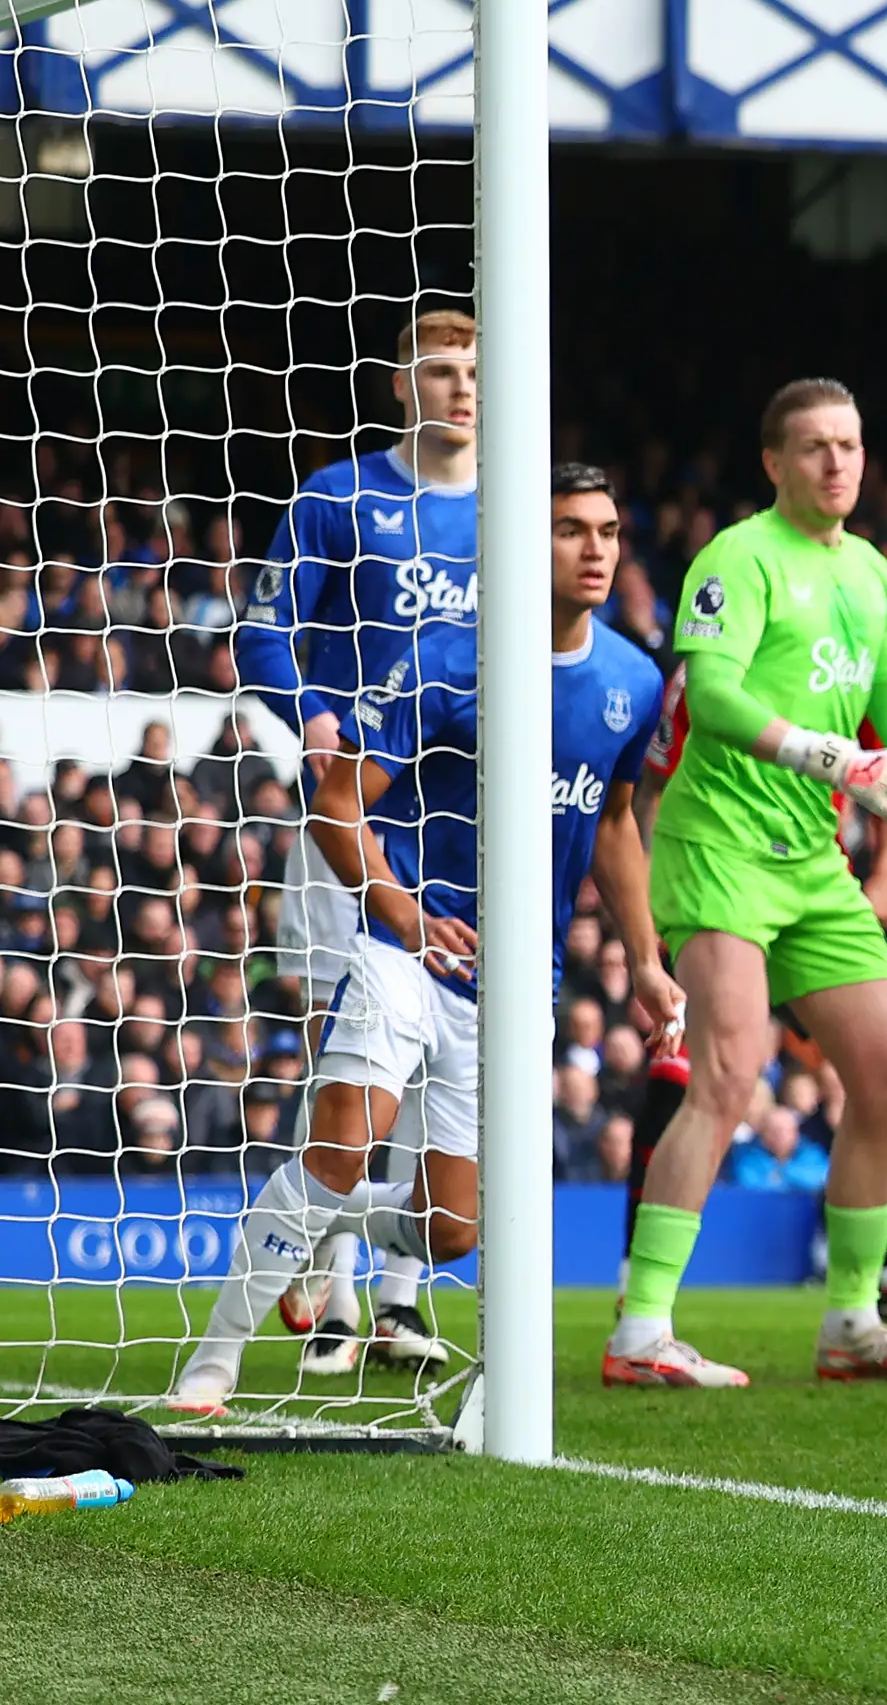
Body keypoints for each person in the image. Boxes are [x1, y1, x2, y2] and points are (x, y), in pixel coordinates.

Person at [175, 470, 668, 1410]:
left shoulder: (631, 681)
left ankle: (312, 1225)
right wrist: (402, 912)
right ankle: (217, 1355)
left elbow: (611, 824)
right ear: (527, 543)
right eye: (571, 530)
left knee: (451, 1233)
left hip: (516, 980)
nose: (597, 549)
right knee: (344, 1142)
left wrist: (645, 961)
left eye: (608, 530)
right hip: (404, 950)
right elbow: (335, 806)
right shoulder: (444, 660)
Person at [607, 379, 887, 1391]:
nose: (837, 463)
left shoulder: (871, 574)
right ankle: (641, 1330)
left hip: (814, 860)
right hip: (719, 844)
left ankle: (851, 1320)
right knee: (727, 1073)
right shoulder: (740, 555)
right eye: (814, 447)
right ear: (774, 462)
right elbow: (715, 694)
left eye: (850, 444)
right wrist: (841, 761)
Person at [234, 307, 480, 1370]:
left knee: (452, 1049)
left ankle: (398, 1298)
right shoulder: (343, 496)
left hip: (470, 830)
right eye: (439, 369)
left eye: (475, 370)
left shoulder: (517, 514)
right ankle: (326, 1276)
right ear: (400, 383)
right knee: (356, 1040)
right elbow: (259, 628)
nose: (462, 387)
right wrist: (312, 715)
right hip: (358, 812)